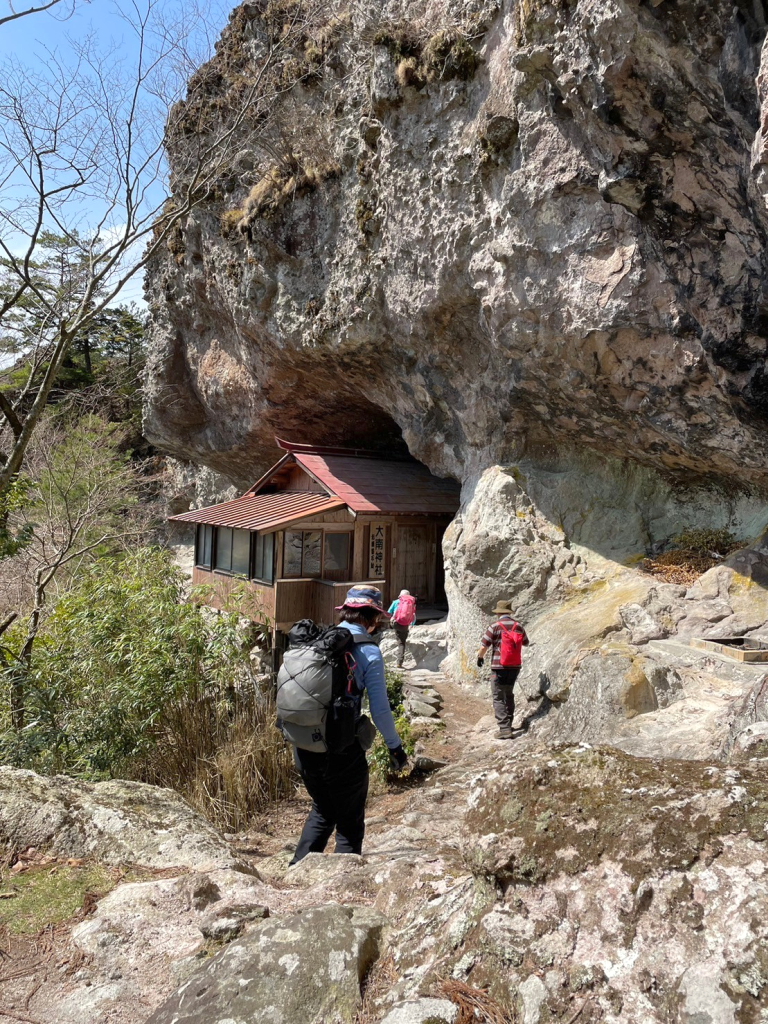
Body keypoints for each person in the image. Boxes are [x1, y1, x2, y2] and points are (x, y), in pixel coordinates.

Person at [290, 586, 408, 864]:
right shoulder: (368, 651)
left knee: (322, 809)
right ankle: (342, 883)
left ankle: (297, 870)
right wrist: (395, 748)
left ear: (344, 612)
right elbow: (379, 710)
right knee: (349, 821)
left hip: (304, 744)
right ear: (373, 618)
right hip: (343, 750)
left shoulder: (315, 642)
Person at [476, 600, 529, 740]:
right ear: (509, 612)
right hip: (514, 667)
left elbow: (483, 646)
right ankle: (509, 724)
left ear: (498, 613)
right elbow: (525, 642)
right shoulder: (518, 626)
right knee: (509, 694)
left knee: (498, 696)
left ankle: (504, 729)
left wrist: (479, 658)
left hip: (498, 667)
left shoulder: (494, 627)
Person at [388, 589, 417, 668]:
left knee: (398, 633)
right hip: (405, 625)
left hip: (395, 623)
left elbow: (389, 612)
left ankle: (395, 633)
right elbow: (413, 615)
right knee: (402, 643)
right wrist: (411, 624)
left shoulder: (395, 602)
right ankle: (399, 662)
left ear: (400, 596)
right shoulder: (411, 603)